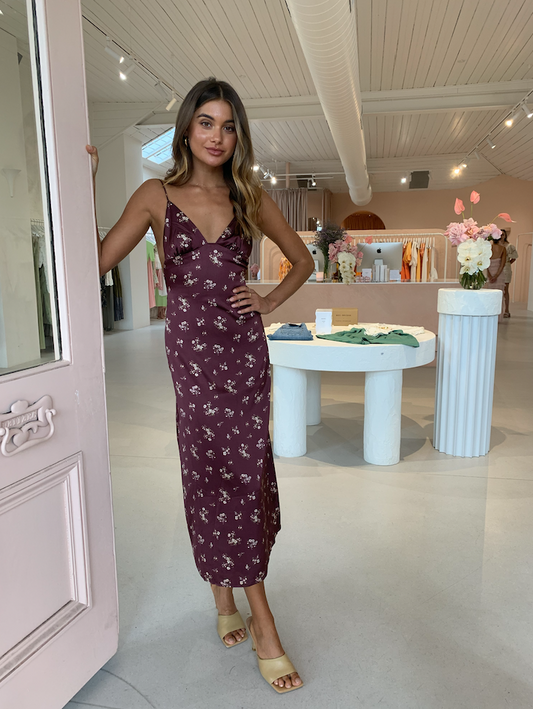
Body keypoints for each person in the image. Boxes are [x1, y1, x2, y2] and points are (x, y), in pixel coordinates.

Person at [86, 78, 313, 694]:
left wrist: (269, 300)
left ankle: (246, 607)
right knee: (208, 472)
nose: (217, 136)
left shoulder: (250, 196)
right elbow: (95, 262)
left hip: (244, 357)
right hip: (193, 365)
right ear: (186, 128)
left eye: (229, 125)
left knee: (245, 472)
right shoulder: (155, 195)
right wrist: (84, 188)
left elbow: (303, 260)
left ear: (239, 135)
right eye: (206, 122)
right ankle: (242, 608)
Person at [484, 232, 507, 322]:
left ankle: (489, 316)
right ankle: (498, 317)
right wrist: (497, 275)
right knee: (499, 296)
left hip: (490, 274)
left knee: (489, 296)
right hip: (499, 275)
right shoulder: (503, 249)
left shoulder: (488, 248)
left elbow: (486, 263)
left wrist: (490, 275)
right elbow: (502, 264)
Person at [500, 229, 519, 318]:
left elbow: (514, 257)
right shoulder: (496, 245)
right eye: (500, 235)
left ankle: (507, 310)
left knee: (505, 290)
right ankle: (499, 310)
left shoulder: (509, 246)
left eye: (503, 235)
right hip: (497, 267)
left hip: (506, 268)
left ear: (505, 236)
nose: (501, 236)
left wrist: (508, 263)